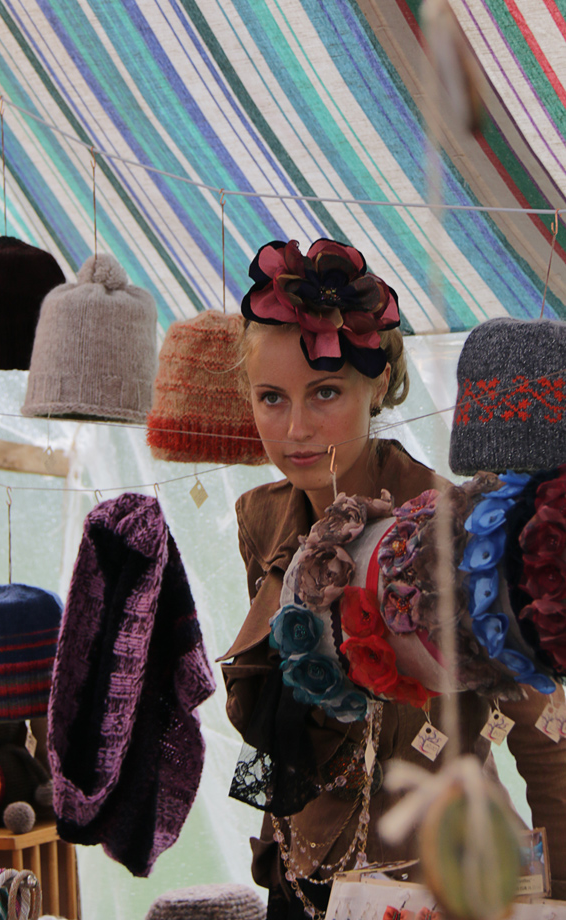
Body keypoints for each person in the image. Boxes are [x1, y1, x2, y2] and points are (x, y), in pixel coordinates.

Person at [219, 238, 566, 920]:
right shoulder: (262, 520)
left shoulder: (455, 531)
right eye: (270, 398)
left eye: (324, 392)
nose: (295, 429)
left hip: (434, 886)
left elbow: (545, 738)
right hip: (299, 876)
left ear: (376, 386)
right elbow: (279, 702)